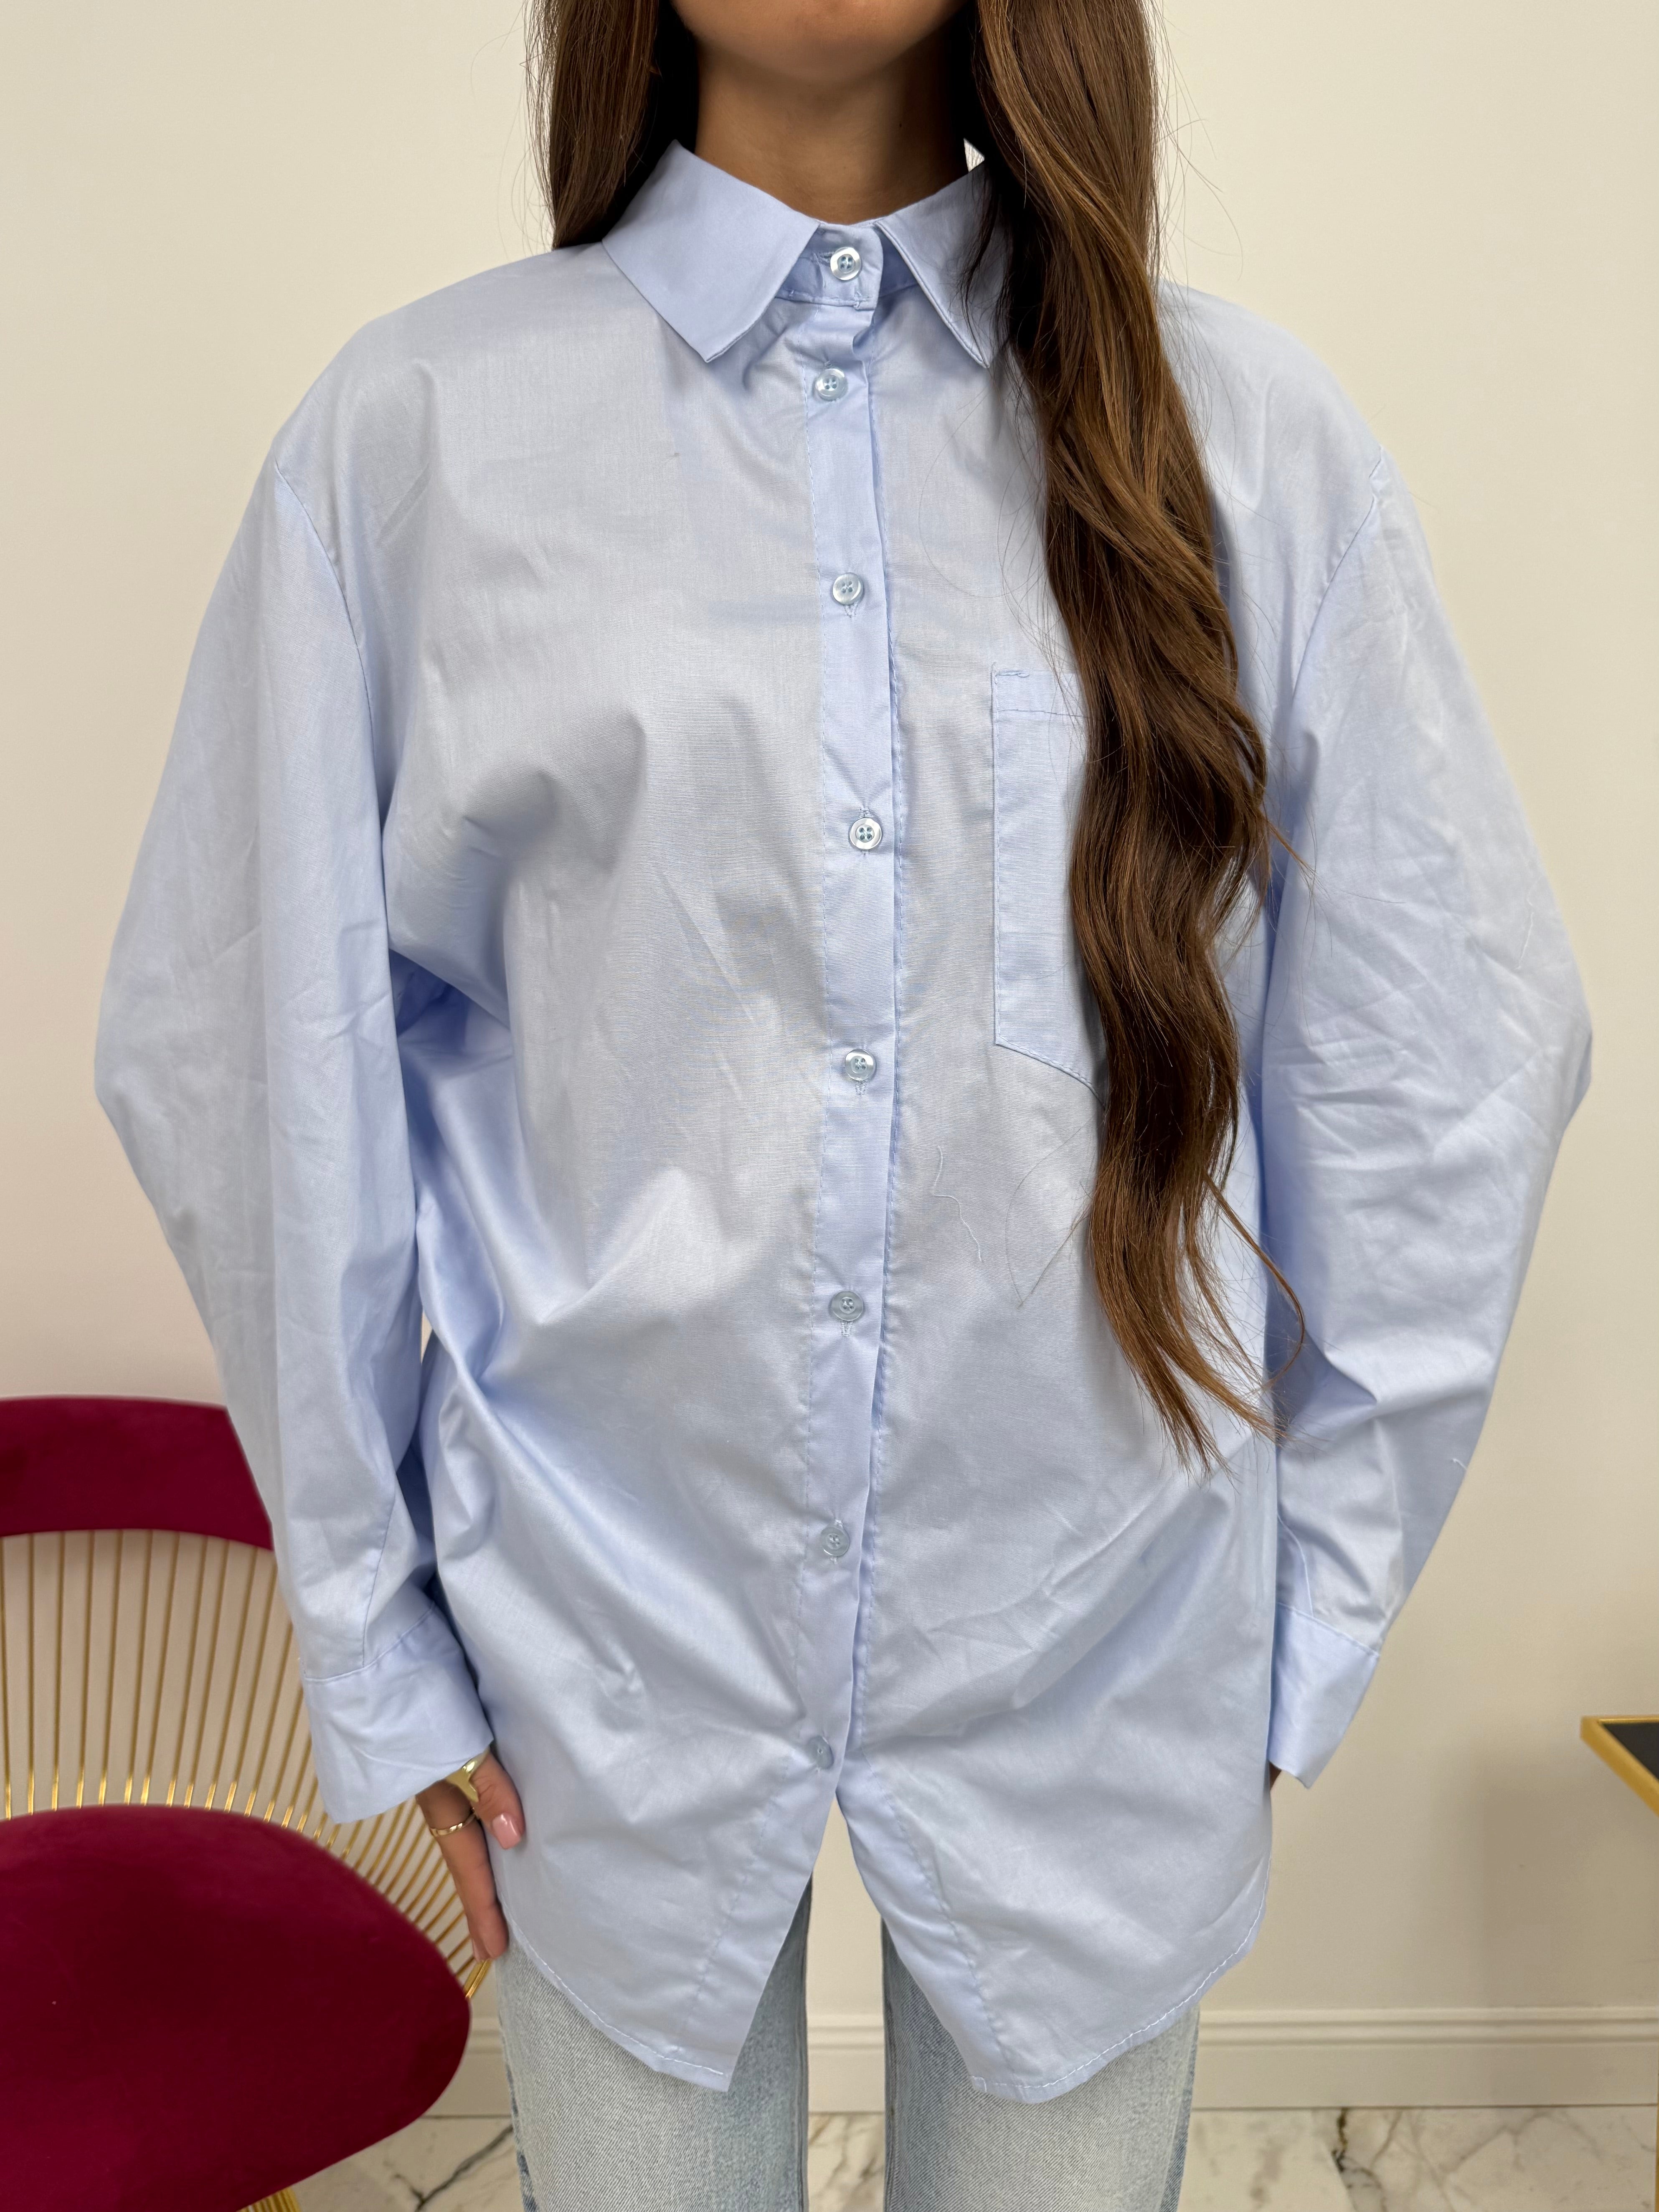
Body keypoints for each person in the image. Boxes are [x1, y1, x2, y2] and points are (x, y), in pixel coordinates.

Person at [94, 0, 1591, 2204]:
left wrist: (1304, 1628)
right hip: (594, 1643)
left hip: (1108, 1642)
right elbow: (251, 1067)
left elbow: (1446, 1056)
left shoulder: (1248, 443)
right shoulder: (416, 440)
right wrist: (380, 1640)